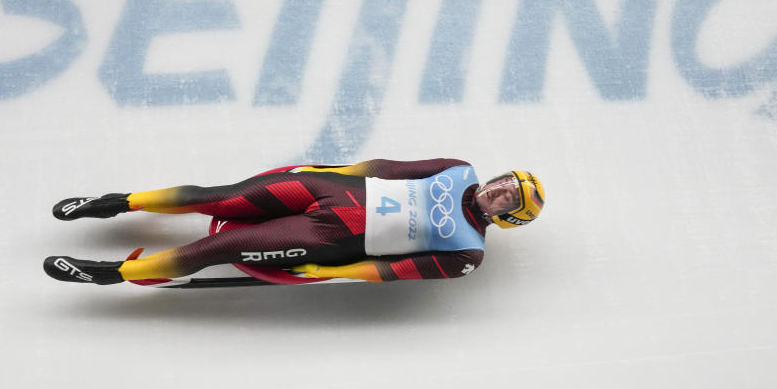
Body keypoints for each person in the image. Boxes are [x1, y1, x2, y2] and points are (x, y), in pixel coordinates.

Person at [43, 158, 544, 286]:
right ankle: (114, 202)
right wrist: (332, 172)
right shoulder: (460, 169)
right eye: (505, 180)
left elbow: (392, 271)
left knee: (217, 251)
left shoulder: (466, 254)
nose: (498, 189)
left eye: (508, 197)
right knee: (212, 197)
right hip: (331, 191)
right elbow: (388, 169)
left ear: (507, 218)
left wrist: (333, 273)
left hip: (331, 237)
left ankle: (113, 273)